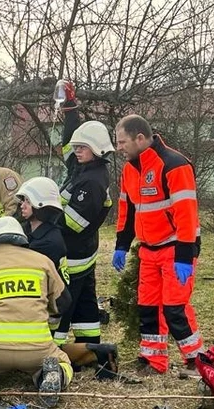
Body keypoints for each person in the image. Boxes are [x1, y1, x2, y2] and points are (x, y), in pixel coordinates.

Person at [0, 216, 74, 406]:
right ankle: (52, 374)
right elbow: (63, 303)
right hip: (37, 348)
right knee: (63, 360)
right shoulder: (42, 261)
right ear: (22, 239)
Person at [113, 114, 202, 374]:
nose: (119, 148)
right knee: (148, 307)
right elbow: (126, 209)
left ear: (140, 138)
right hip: (148, 249)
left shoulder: (174, 164)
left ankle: (197, 361)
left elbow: (186, 213)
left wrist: (185, 255)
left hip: (176, 248)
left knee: (175, 309)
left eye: (122, 142)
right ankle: (154, 360)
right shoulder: (130, 169)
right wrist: (121, 244)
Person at [15, 176, 119, 379]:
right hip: (45, 306)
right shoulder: (35, 230)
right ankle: (93, 351)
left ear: (40, 206)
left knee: (45, 353)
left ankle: (94, 354)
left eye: (27, 201)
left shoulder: (47, 242)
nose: (22, 205)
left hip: (47, 310)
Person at [52, 81, 114, 345]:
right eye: (77, 148)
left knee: (65, 300)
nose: (76, 152)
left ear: (97, 149)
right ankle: (91, 347)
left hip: (76, 252)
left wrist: (41, 215)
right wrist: (69, 109)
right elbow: (68, 142)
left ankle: (53, 348)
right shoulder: (84, 168)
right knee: (87, 301)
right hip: (82, 250)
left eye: (82, 148)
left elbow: (75, 223)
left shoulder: (92, 181)